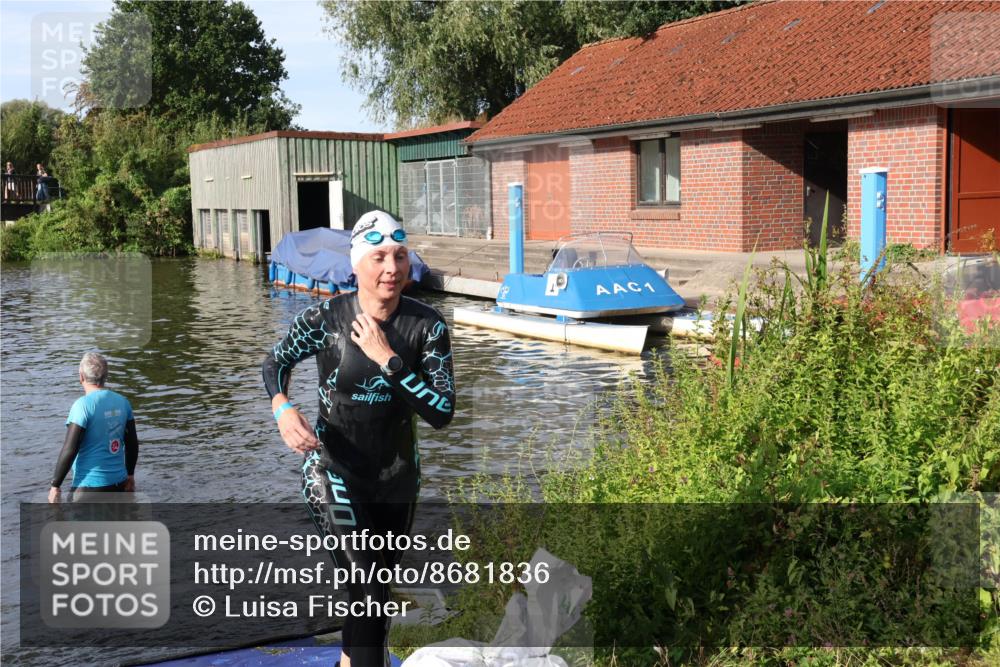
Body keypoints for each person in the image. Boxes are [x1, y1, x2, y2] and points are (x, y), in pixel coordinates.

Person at [263, 210, 455, 667]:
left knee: (372, 591)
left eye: (400, 256)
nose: (392, 268)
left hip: (396, 478)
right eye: (379, 257)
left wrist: (389, 361)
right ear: (356, 265)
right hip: (332, 470)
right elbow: (275, 363)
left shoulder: (427, 327)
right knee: (368, 586)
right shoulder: (326, 319)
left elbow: (441, 412)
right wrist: (282, 408)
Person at [49, 352, 139, 503]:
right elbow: (132, 443)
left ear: (81, 376)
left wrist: (55, 485)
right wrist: (130, 475)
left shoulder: (82, 406)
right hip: (119, 484)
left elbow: (70, 449)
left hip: (88, 487)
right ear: (105, 376)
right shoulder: (123, 402)